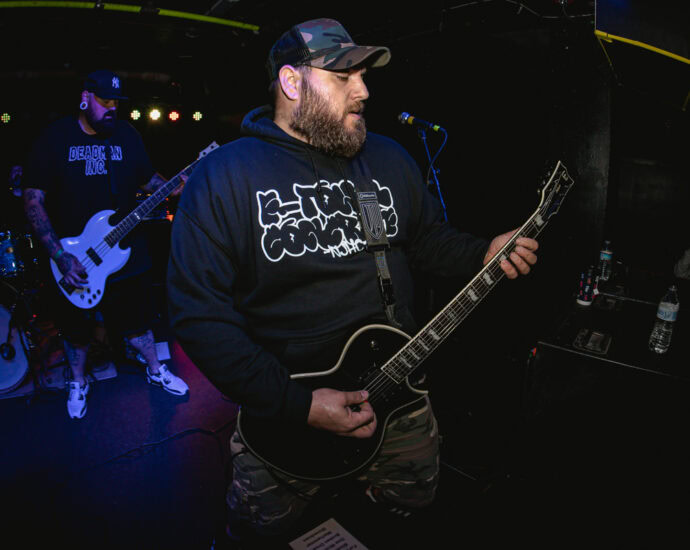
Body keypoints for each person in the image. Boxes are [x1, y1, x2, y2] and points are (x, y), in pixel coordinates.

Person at [166, 18, 538, 545]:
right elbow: (199, 317)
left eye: (363, 76)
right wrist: (299, 405)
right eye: (343, 76)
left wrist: (482, 252)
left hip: (397, 392)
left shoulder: (387, 156)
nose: (363, 91)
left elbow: (426, 240)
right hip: (286, 415)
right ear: (291, 82)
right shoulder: (224, 176)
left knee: (409, 509)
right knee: (259, 534)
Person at [22, 69, 188, 419]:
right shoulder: (55, 138)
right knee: (76, 330)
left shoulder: (126, 135)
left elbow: (148, 179)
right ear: (85, 98)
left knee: (138, 321)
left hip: (125, 248)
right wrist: (60, 256)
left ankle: (155, 369)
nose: (112, 108)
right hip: (76, 256)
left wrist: (175, 184)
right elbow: (33, 199)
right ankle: (78, 380)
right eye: (104, 101)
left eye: (116, 102)